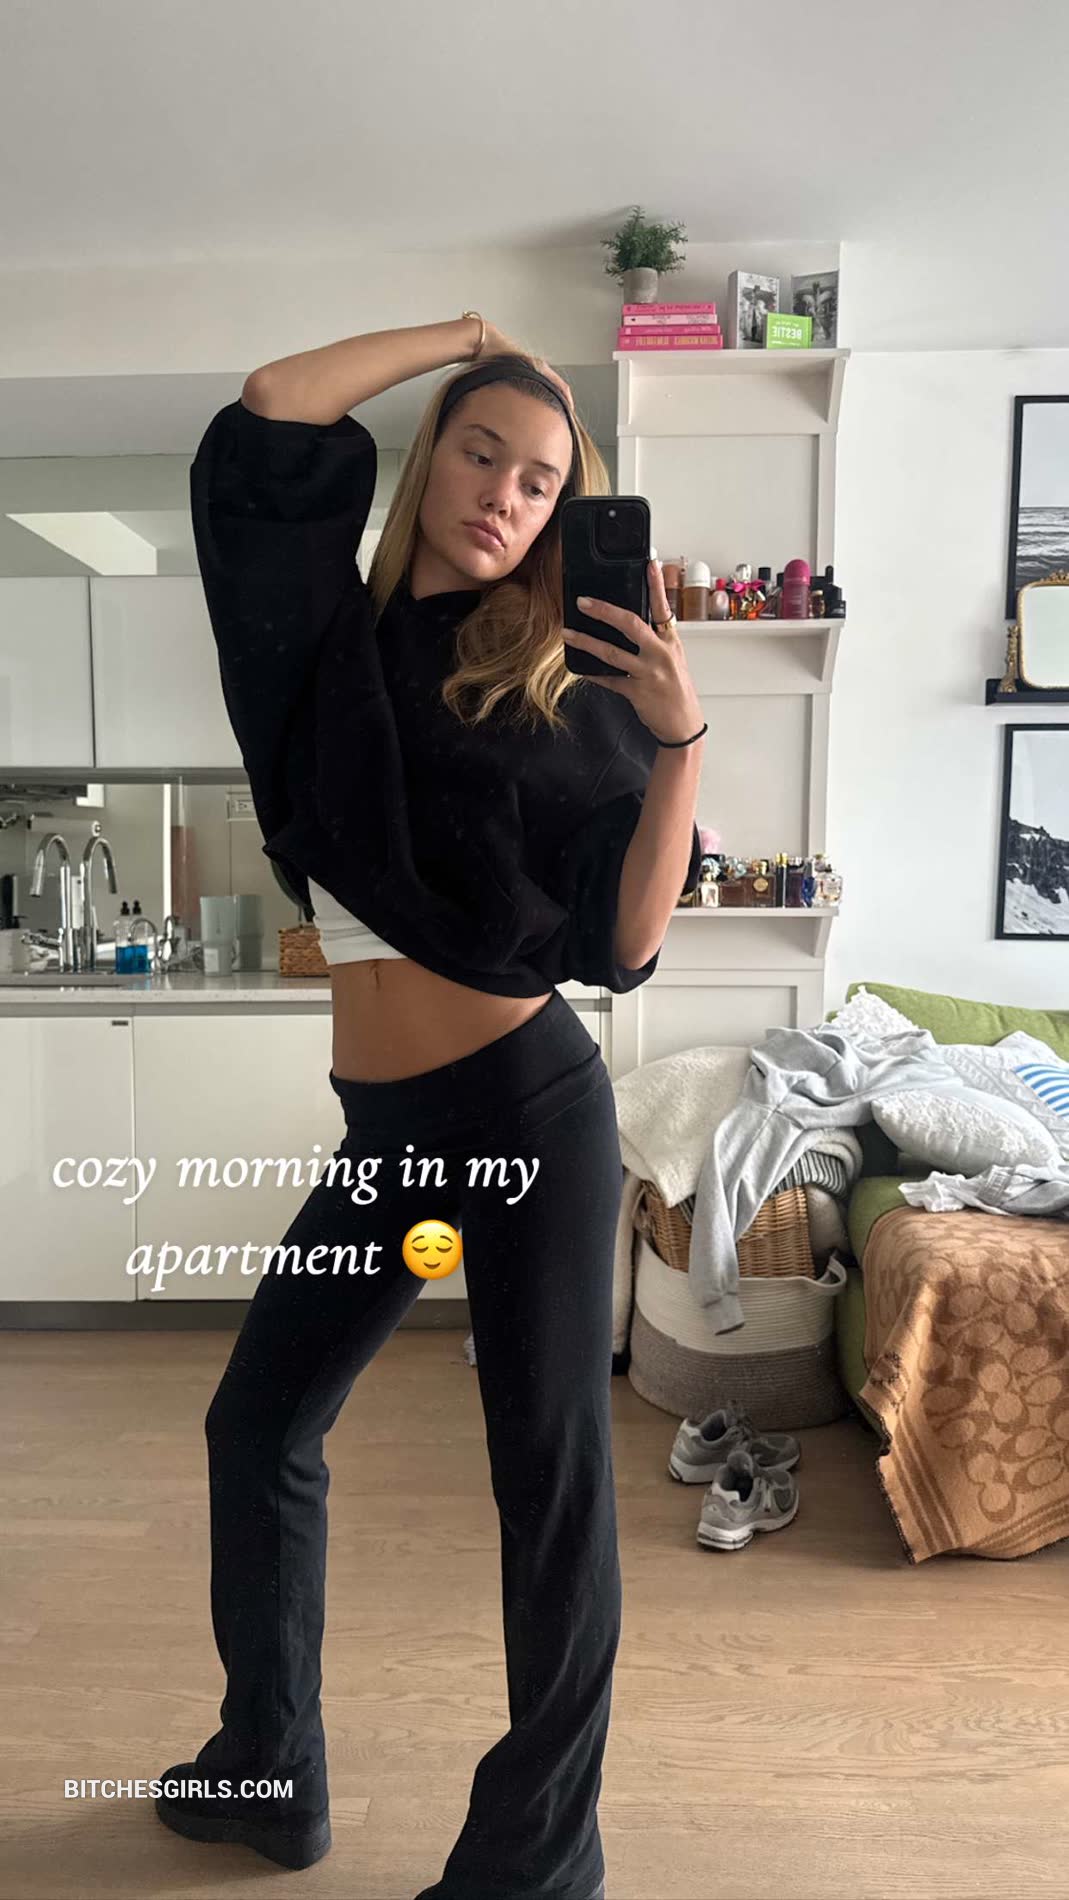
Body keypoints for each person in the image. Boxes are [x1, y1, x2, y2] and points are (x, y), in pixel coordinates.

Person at [154, 313, 707, 1900]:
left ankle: (535, 1866)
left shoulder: (565, 682)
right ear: (427, 461)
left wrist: (679, 741)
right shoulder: (328, 645)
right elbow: (272, 413)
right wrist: (467, 335)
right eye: (480, 452)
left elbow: (626, 940)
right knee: (260, 1420)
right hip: (391, 1141)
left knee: (547, 1484)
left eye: (540, 483)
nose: (505, 498)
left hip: (526, 1120)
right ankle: (267, 1768)